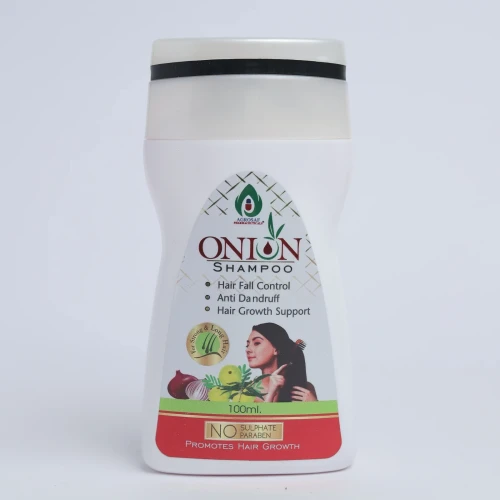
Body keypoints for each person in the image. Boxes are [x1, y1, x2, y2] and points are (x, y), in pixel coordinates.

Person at [245, 322, 317, 402]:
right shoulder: (248, 391)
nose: (248, 350)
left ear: (276, 349)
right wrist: (270, 394)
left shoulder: (306, 389)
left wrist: (315, 404)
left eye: (257, 343)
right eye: (247, 345)